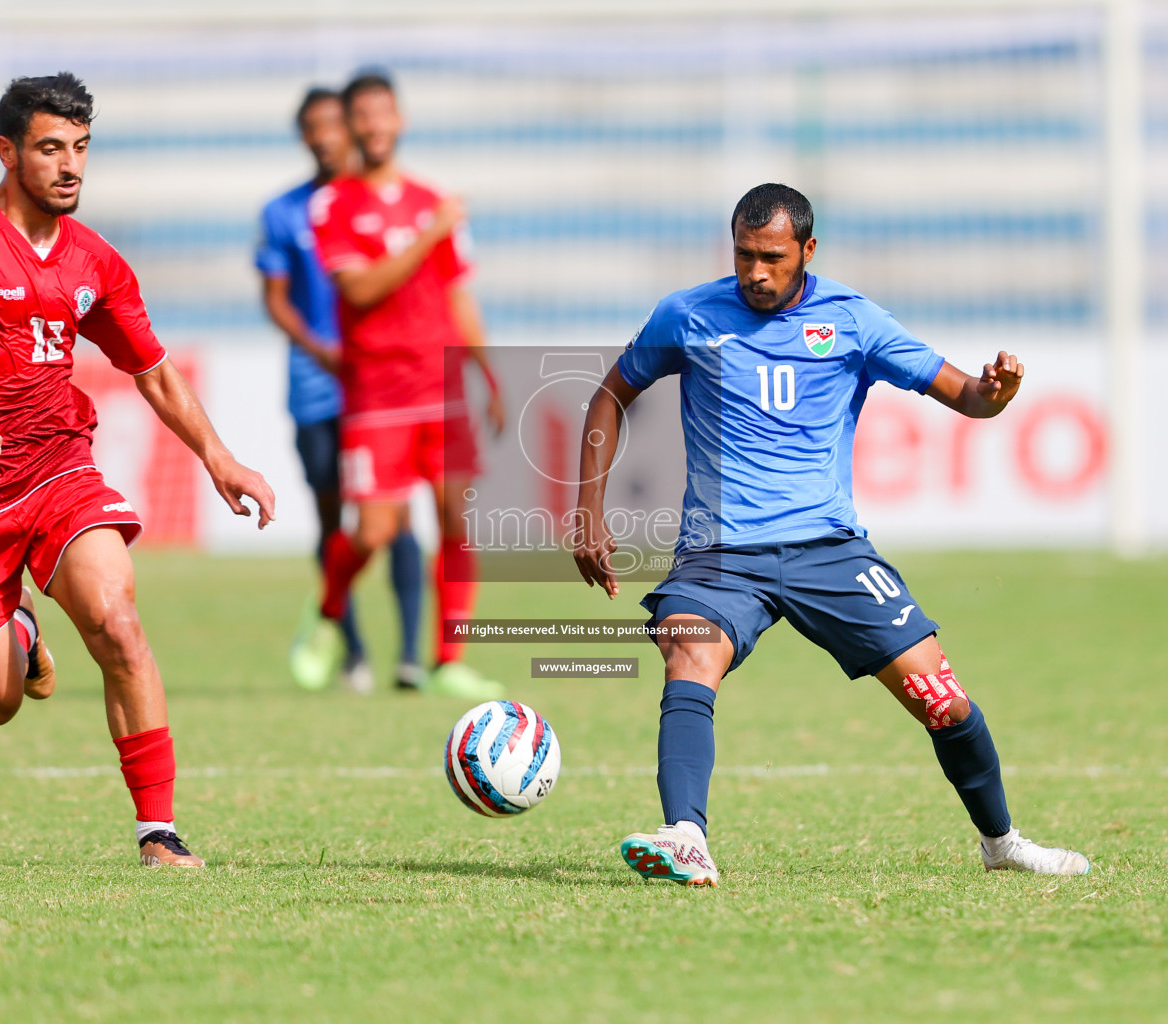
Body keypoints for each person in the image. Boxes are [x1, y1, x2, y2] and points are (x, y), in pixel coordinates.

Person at [572, 183, 1090, 887]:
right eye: (744, 255)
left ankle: (1003, 842)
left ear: (807, 251)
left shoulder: (853, 320)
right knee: (688, 653)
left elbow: (967, 394)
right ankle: (686, 835)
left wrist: (996, 392)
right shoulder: (687, 314)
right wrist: (587, 510)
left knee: (942, 700)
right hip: (720, 552)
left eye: (773, 258)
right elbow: (610, 395)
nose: (755, 272)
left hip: (829, 549)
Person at [0, 72, 276, 868]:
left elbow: (153, 370)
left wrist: (219, 458)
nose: (70, 166)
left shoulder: (97, 262)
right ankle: (18, 629)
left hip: (58, 472)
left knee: (120, 627)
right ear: (7, 150)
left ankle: (157, 832)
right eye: (51, 148)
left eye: (81, 148)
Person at [309, 70, 505, 699]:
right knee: (375, 530)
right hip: (377, 389)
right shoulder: (334, 205)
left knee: (457, 517)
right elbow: (361, 288)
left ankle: (448, 658)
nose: (373, 125)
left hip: (440, 381)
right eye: (361, 115)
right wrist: (430, 231)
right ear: (350, 126)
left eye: (382, 113)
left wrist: (491, 373)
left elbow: (457, 294)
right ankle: (328, 614)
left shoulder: (432, 198)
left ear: (400, 120)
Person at [257, 85, 424, 694]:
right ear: (304, 135)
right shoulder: (284, 212)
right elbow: (275, 300)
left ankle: (410, 657)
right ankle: (352, 649)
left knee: (395, 516)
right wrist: (322, 352)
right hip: (317, 388)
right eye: (315, 126)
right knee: (333, 518)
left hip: (379, 384)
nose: (326, 135)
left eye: (336, 124)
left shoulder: (377, 203)